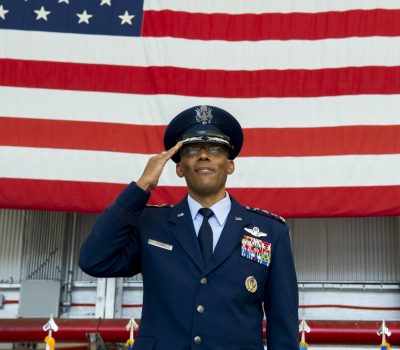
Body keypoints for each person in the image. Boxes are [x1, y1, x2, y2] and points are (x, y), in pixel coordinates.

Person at [79, 105, 299, 350]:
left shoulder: (269, 232)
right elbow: (94, 260)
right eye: (192, 149)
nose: (204, 155)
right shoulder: (150, 225)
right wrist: (141, 187)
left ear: (230, 165)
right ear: (180, 168)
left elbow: (283, 325)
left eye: (215, 149)